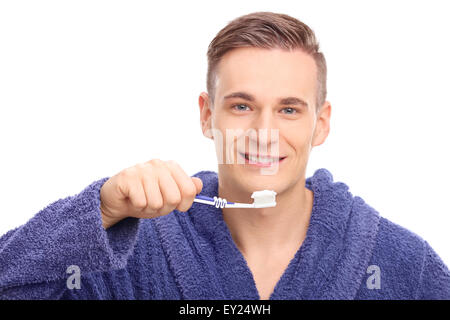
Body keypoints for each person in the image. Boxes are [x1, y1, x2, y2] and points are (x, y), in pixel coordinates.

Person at [1, 11, 449, 300]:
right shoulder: (132, 250)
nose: (264, 133)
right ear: (206, 114)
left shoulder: (402, 265)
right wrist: (99, 211)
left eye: (289, 109)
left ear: (322, 123)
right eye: (241, 106)